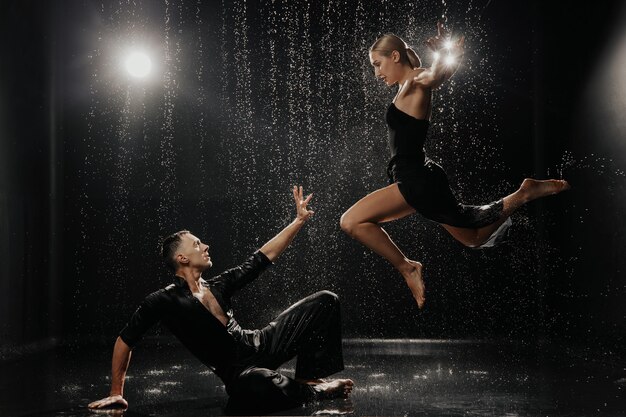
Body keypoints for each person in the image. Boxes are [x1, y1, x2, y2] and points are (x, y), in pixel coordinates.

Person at [340, 22, 570, 309]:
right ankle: (524, 193)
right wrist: (449, 57)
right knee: (473, 238)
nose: (376, 73)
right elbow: (440, 73)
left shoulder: (417, 80)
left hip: (416, 180)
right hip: (421, 178)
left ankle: (407, 267)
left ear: (395, 56)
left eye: (378, 64)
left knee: (351, 221)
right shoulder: (405, 86)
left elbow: (435, 75)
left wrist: (444, 56)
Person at [88, 186, 354, 415]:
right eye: (196, 244)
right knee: (255, 384)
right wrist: (115, 392)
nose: (205, 247)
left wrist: (298, 221)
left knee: (325, 301)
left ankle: (307, 377)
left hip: (260, 344)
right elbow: (125, 340)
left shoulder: (217, 285)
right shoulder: (163, 301)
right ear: (181, 259)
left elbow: (260, 259)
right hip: (240, 372)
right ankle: (315, 392)